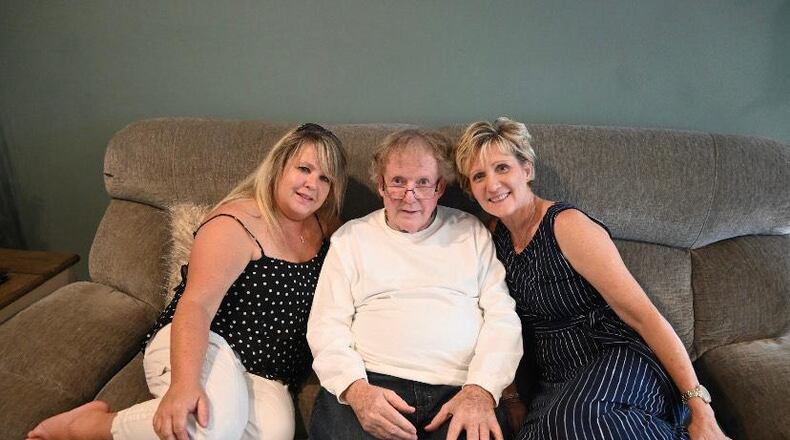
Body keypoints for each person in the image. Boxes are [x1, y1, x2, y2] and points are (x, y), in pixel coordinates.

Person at [26, 123, 348, 440]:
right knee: (207, 426)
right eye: (304, 169)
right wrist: (184, 384)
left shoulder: (325, 227)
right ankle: (85, 427)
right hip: (207, 340)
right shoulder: (236, 223)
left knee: (274, 433)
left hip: (266, 372)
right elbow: (196, 305)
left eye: (324, 178)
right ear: (278, 167)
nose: (311, 184)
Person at [453, 117, 729, 440]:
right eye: (479, 176)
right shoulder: (491, 237)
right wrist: (511, 397)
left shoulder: (566, 225)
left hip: (616, 356)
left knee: (579, 421)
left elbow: (644, 316)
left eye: (502, 168)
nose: (492, 184)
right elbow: (495, 321)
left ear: (526, 170)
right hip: (558, 378)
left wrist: (700, 407)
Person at [306, 128, 523, 440]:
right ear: (380, 185)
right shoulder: (351, 239)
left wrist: (481, 390)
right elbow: (326, 326)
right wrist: (357, 391)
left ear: (439, 188)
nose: (410, 196)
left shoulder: (470, 232)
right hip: (372, 384)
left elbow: (502, 319)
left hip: (459, 390)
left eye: (422, 183)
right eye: (398, 182)